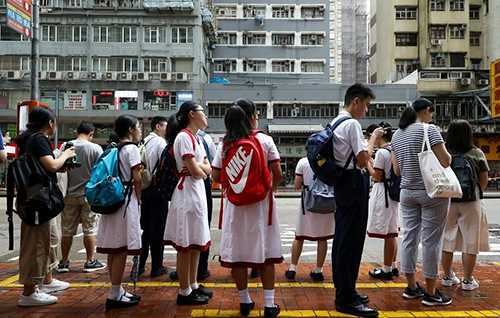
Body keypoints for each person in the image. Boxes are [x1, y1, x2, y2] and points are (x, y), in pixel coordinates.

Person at [212, 98, 283, 318]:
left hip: (235, 206)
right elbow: (277, 173)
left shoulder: (225, 143)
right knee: (267, 254)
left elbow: (216, 176)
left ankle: (245, 301)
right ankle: (269, 305)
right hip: (261, 205)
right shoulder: (264, 140)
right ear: (251, 116)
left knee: (239, 256)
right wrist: (265, 190)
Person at [392, 98, 453, 306]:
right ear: (427, 111)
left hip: (407, 192)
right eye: (431, 113)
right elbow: (446, 160)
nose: (432, 117)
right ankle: (430, 292)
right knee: (431, 241)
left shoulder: (397, 135)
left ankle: (411, 287)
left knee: (409, 236)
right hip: (431, 192)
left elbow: (397, 170)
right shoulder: (429, 130)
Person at [329, 84, 382, 317]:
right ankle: (346, 298)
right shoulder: (351, 124)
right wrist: (373, 139)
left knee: (343, 238)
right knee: (351, 241)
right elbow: (363, 160)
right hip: (352, 182)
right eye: (367, 105)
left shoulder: (335, 121)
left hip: (342, 184)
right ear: (357, 101)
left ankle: (345, 289)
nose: (367, 111)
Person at [16, 106, 75, 307]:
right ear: (50, 122)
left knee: (49, 238)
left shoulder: (30, 139)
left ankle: (47, 281)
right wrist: (65, 155)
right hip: (37, 200)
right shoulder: (39, 139)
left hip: (36, 196)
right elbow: (51, 165)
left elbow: (44, 167)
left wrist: (61, 163)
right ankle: (29, 293)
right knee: (37, 245)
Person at [163, 101, 213, 305]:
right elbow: (197, 171)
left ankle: (192, 286)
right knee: (185, 246)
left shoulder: (197, 139)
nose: (206, 117)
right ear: (192, 114)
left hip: (195, 194)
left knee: (194, 245)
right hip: (187, 195)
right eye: (203, 112)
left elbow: (207, 169)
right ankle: (184, 291)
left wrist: (199, 168)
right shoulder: (183, 136)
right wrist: (201, 169)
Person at [96, 114, 143, 310]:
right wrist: (140, 199)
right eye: (138, 127)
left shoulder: (113, 147)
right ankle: (115, 294)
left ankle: (116, 290)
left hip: (111, 200)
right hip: (125, 200)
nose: (140, 130)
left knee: (113, 248)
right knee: (122, 247)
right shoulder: (131, 149)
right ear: (130, 129)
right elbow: (137, 177)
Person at [441, 120, 490, 291]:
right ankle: (468, 280)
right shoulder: (476, 153)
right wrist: (473, 194)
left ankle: (447, 277)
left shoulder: (444, 152)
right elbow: (483, 181)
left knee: (446, 239)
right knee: (471, 240)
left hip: (447, 199)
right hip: (470, 200)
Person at [57, 121, 105, 273]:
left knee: (67, 230)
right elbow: (101, 171)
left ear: (76, 132)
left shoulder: (66, 146)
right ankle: (90, 261)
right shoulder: (96, 148)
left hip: (68, 194)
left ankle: (64, 262)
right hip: (89, 195)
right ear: (91, 134)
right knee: (90, 229)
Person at [285, 147, 334, 281]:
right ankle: (318, 270)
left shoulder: (303, 162)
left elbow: (296, 185)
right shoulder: (328, 161)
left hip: (308, 201)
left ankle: (292, 268)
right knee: (322, 237)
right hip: (325, 200)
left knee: (299, 235)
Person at [366, 122, 400, 280]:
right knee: (392, 231)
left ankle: (386, 269)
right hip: (393, 193)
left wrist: (367, 164)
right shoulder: (393, 149)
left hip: (383, 193)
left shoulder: (381, 153)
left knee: (388, 234)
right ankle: (392, 266)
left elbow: (376, 176)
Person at [138, 116, 169, 278]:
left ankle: (140, 264)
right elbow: (164, 165)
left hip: (145, 187)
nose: (167, 129)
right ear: (158, 126)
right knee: (158, 228)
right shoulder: (159, 142)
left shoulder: (144, 141)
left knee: (144, 226)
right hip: (157, 188)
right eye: (166, 126)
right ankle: (157, 266)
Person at [197, 125, 216, 280]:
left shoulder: (181, 137)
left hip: (185, 186)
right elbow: (211, 166)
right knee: (203, 226)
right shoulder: (206, 138)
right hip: (203, 185)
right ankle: (202, 268)